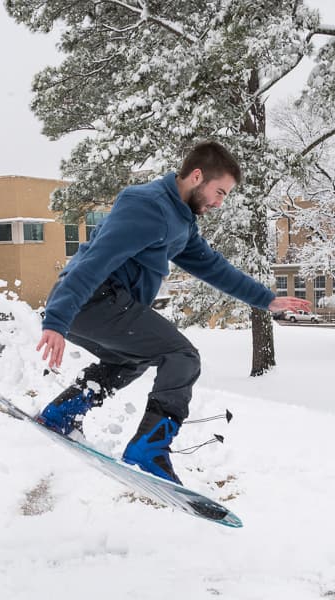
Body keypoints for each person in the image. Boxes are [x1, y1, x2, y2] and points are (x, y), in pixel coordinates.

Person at [35, 141, 310, 484]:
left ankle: (64, 410)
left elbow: (213, 267)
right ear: (197, 176)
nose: (219, 203)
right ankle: (150, 447)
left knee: (130, 360)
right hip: (91, 299)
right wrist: (57, 319)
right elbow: (96, 259)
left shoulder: (181, 221)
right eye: (219, 192)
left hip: (98, 305)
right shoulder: (146, 205)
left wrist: (265, 299)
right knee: (182, 356)